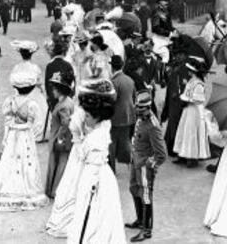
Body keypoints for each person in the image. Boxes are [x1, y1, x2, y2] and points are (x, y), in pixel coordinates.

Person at [67, 79, 126, 244]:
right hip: (99, 174)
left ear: (97, 116)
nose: (84, 119)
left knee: (93, 214)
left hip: (95, 179)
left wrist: (77, 138)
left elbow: (83, 157)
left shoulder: (96, 138)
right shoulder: (103, 125)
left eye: (87, 116)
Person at [0, 69, 49, 211]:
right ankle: (24, 190)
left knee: (10, 159)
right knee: (26, 161)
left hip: (13, 134)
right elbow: (37, 124)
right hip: (25, 135)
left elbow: (7, 121)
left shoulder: (10, 101)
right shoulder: (32, 104)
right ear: (31, 88)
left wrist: (8, 135)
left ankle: (10, 188)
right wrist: (30, 131)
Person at [126, 91, 167, 242]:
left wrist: (149, 164)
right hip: (136, 161)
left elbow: (162, 155)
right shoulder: (141, 119)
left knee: (145, 196)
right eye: (137, 108)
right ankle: (140, 220)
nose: (138, 111)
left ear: (149, 108)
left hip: (144, 166)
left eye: (141, 109)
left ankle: (146, 229)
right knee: (133, 189)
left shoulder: (153, 126)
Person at [46, 106, 88, 237]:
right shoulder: (78, 110)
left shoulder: (82, 114)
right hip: (77, 152)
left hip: (81, 152)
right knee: (71, 183)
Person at [173, 60, 210, 167]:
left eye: (189, 70)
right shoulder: (191, 81)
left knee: (191, 132)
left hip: (195, 111)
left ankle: (192, 157)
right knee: (184, 131)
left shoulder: (199, 84)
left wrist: (184, 99)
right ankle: (183, 155)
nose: (188, 72)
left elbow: (198, 99)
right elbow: (187, 93)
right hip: (188, 110)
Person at [45, 71, 75, 199]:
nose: (53, 91)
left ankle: (55, 190)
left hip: (59, 137)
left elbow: (65, 123)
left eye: (55, 89)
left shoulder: (63, 105)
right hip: (63, 137)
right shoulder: (68, 101)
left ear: (61, 90)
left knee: (58, 163)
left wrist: (59, 138)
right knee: (61, 162)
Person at [10, 40, 47, 141]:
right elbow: (39, 83)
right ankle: (35, 134)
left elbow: (14, 83)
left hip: (20, 93)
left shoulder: (16, 67)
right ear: (31, 55)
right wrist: (43, 91)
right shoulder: (35, 68)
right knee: (39, 110)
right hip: (33, 92)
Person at [110, 55, 136, 173]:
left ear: (112, 67)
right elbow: (134, 97)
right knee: (126, 141)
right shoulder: (129, 80)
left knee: (112, 143)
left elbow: (112, 99)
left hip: (116, 116)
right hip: (129, 115)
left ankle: (111, 169)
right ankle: (135, 163)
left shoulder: (114, 82)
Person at [45, 39, 75, 111]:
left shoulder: (50, 65)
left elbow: (47, 83)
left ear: (54, 53)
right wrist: (71, 96)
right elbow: (73, 83)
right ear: (62, 52)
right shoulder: (68, 65)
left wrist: (49, 97)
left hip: (53, 97)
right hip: (66, 98)